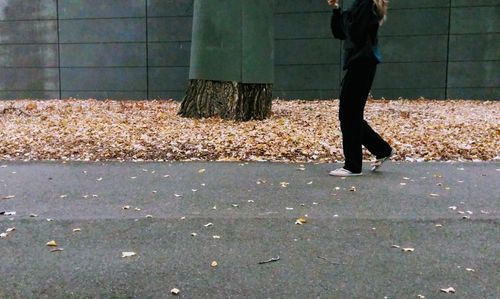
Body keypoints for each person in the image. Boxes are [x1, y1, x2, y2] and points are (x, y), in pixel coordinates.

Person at [327, 0, 395, 177]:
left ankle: (353, 165)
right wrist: (336, 11)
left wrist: (345, 17)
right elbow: (340, 33)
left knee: (348, 114)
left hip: (363, 63)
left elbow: (356, 34)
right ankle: (381, 149)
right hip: (359, 63)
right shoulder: (360, 4)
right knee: (351, 114)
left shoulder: (365, 3)